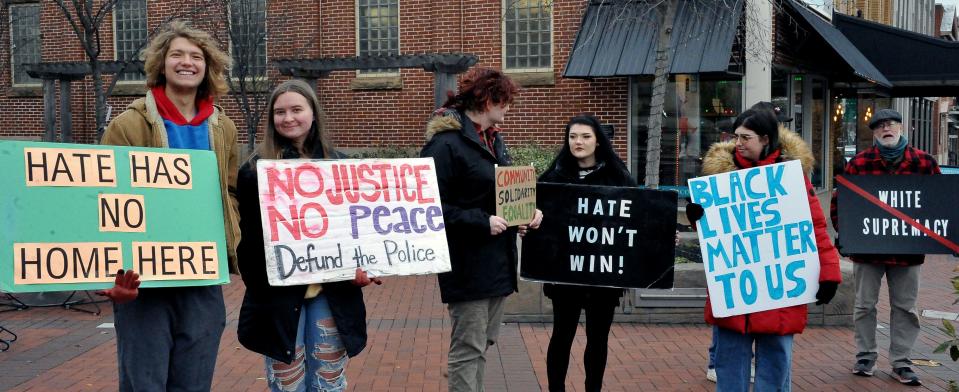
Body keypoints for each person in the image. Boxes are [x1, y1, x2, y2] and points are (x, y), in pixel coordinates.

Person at [100, 20, 240, 391]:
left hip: (202, 276)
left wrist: (231, 243)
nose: (187, 62)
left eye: (196, 56)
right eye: (177, 54)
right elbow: (104, 201)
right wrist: (108, 274)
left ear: (208, 66)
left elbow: (229, 192)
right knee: (144, 383)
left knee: (194, 383)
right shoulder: (127, 125)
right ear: (161, 63)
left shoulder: (223, 128)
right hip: (144, 281)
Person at [236, 79, 377, 392]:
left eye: (296, 109)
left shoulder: (341, 166)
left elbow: (360, 232)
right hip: (277, 298)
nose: (288, 118)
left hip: (333, 293)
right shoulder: (254, 171)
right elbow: (248, 245)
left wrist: (368, 267)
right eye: (280, 112)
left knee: (328, 383)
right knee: (287, 386)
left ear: (313, 113)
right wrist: (266, 281)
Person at [697, 108, 842, 391]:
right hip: (736, 291)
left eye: (745, 137)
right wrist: (698, 215)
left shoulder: (792, 179)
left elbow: (816, 229)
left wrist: (829, 274)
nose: (738, 142)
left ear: (765, 139)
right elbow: (712, 230)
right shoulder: (719, 178)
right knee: (729, 368)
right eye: (736, 136)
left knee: (775, 367)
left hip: (780, 292)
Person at [420, 67, 542, 392]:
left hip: (496, 262)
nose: (508, 109)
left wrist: (524, 213)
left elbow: (499, 195)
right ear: (489, 100)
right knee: (468, 347)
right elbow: (429, 208)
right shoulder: (445, 146)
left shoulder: (493, 141)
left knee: (483, 342)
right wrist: (480, 221)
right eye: (506, 101)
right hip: (467, 264)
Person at [830, 108, 940, 386]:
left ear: (902, 128)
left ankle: (901, 362)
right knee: (864, 305)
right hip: (868, 250)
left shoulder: (924, 163)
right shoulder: (859, 163)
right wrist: (848, 234)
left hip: (908, 250)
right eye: (880, 126)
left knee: (905, 307)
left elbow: (942, 203)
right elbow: (840, 203)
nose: (886, 128)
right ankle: (865, 355)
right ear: (874, 132)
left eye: (891, 124)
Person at [537, 115, 635, 392]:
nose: (577, 142)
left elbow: (637, 216)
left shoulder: (618, 176)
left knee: (598, 338)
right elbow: (537, 214)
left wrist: (662, 233)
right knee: (561, 336)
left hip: (603, 275)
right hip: (565, 274)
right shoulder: (554, 175)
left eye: (585, 137)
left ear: (598, 141)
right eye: (572, 137)